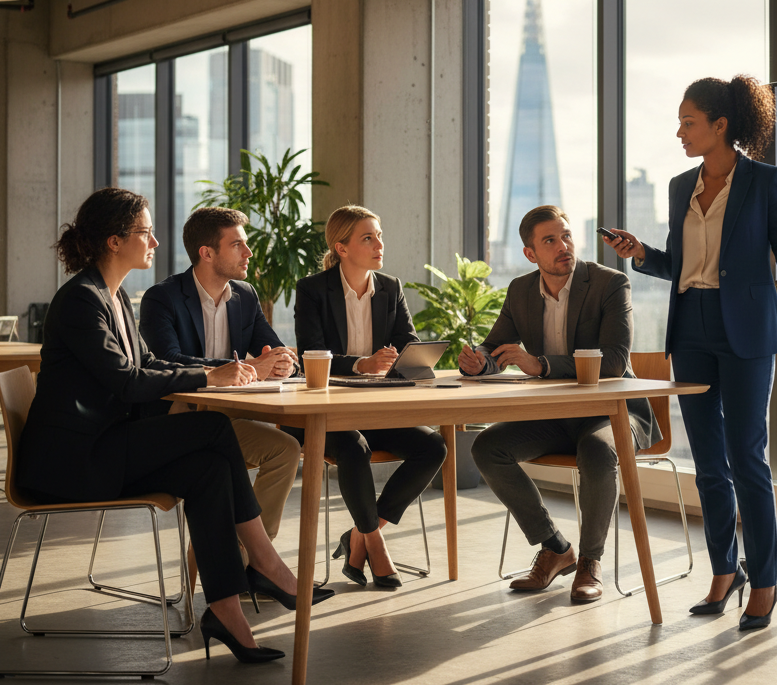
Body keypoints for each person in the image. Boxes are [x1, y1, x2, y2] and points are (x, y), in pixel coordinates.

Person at [16, 187, 332, 666]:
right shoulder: (81, 300)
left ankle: (225, 610)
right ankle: (265, 564)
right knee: (214, 432)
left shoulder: (115, 298)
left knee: (207, 469)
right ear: (113, 240)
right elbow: (127, 381)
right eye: (145, 232)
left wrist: (213, 374)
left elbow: (154, 364)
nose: (156, 242)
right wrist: (209, 375)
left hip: (103, 449)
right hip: (71, 464)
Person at [605, 74, 777, 631]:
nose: (679, 132)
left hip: (746, 330)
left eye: (688, 122)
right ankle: (724, 571)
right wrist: (642, 253)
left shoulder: (764, 181)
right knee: (707, 464)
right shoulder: (681, 186)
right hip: (692, 329)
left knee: (748, 460)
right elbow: (680, 263)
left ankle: (766, 583)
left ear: (720, 125)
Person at [459, 205, 654, 603]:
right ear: (531, 254)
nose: (563, 246)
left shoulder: (610, 284)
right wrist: (480, 360)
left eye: (565, 235)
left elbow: (615, 359)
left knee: (598, 452)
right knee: (487, 447)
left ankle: (590, 562)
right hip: (556, 415)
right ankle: (554, 547)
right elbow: (496, 345)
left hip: (615, 411)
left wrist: (540, 364)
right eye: (550, 240)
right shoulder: (521, 290)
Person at [293, 205, 447, 589]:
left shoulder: (390, 287)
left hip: (374, 408)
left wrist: (409, 356)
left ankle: (359, 534)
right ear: (341, 248)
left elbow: (407, 340)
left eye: (379, 235)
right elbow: (310, 352)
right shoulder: (312, 290)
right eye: (368, 237)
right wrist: (362, 363)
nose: (379, 244)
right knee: (353, 448)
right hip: (325, 414)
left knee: (434, 447)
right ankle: (374, 543)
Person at [140, 207, 301, 550]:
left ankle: (251, 560)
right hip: (181, 418)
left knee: (287, 449)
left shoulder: (245, 295)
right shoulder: (162, 298)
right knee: (236, 461)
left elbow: (271, 351)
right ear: (207, 253)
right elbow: (165, 362)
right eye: (238, 245)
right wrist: (245, 367)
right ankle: (251, 564)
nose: (249, 252)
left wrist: (283, 363)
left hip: (231, 415)